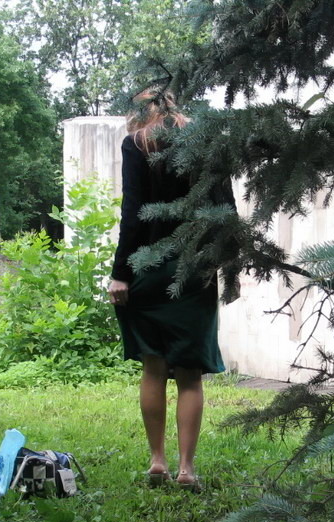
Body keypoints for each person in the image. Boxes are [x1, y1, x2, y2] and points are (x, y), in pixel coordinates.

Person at [107, 88, 235, 491]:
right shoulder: (205, 142)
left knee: (154, 367)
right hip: (194, 270)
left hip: (146, 266)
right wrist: (220, 263)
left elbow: (132, 212)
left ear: (141, 110)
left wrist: (121, 273)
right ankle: (186, 469)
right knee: (190, 376)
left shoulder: (136, 144)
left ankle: (157, 462)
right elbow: (225, 210)